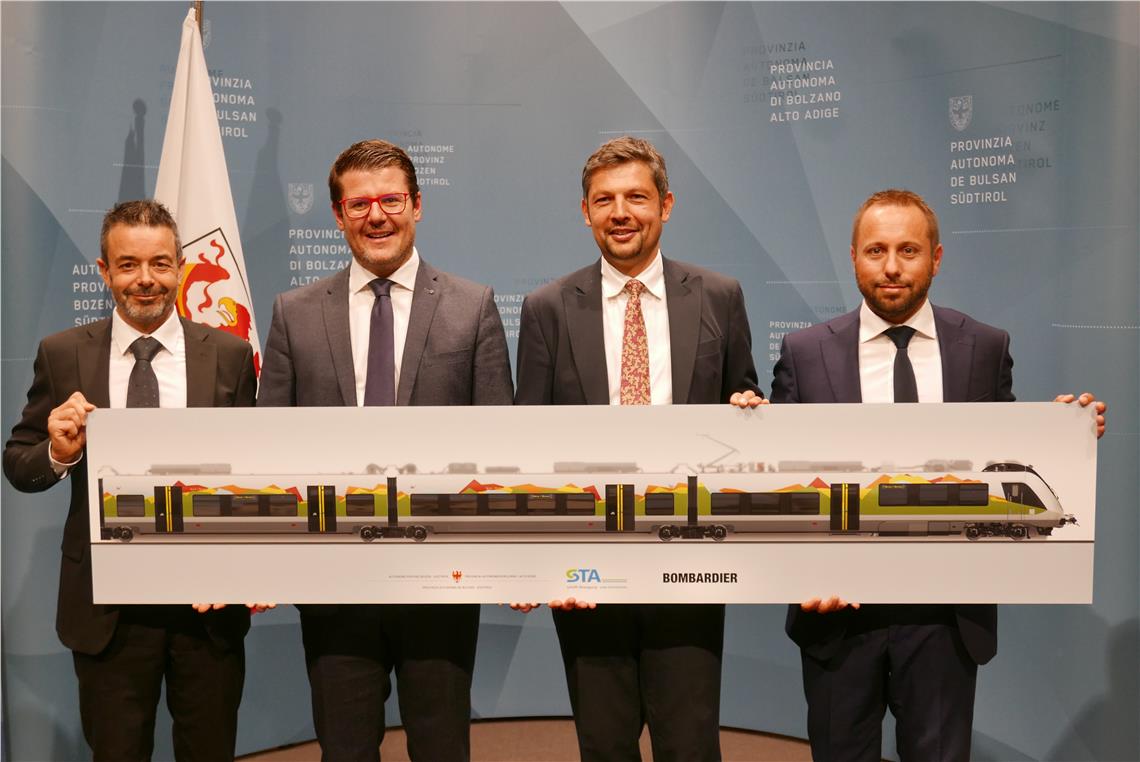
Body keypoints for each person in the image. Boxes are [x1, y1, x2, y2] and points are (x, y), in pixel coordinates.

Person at [732, 188, 1106, 762]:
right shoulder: (805, 352)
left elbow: (1006, 458)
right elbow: (786, 481)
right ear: (853, 257)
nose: (891, 267)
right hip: (838, 616)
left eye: (908, 250)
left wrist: (1064, 433)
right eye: (875, 250)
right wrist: (747, 431)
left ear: (936, 258)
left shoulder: (985, 347)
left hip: (944, 617)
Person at [257, 139, 513, 762]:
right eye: (359, 203)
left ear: (417, 205)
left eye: (391, 201)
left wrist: (510, 561)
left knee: (441, 748)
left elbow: (499, 445)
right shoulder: (294, 314)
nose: (377, 216)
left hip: (441, 584)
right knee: (344, 751)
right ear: (338, 214)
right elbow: (270, 449)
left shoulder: (472, 306)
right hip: (333, 585)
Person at [514, 136, 761, 762]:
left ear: (666, 205)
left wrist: (749, 411)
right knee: (604, 745)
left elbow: (743, 398)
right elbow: (528, 443)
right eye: (604, 200)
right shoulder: (547, 309)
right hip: (588, 567)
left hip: (689, 559)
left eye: (636, 198)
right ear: (585, 212)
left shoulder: (719, 295)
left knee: (691, 746)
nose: (620, 213)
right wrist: (541, 564)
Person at [3, 200, 257, 761]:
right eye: (128, 264)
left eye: (160, 263)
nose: (145, 279)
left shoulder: (231, 356)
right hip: (107, 613)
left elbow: (254, 477)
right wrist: (59, 452)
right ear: (104, 271)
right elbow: (19, 463)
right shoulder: (63, 354)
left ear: (181, 268)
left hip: (205, 608)